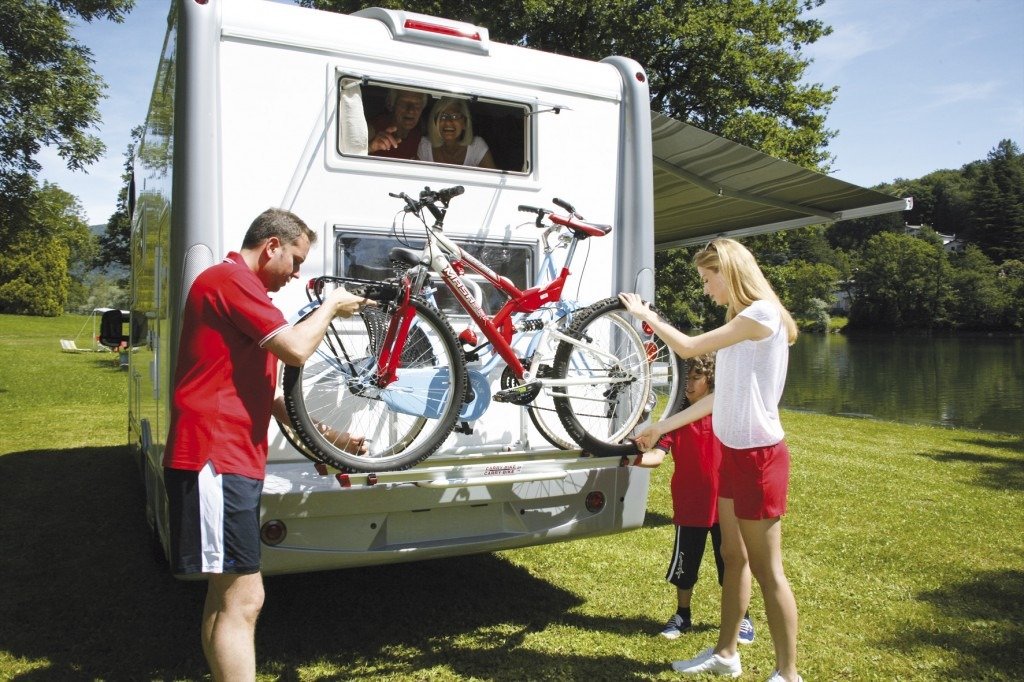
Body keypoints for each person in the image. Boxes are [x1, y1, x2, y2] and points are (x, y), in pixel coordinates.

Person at [163, 208, 372, 681]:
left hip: (228, 459)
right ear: (272, 245)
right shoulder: (230, 279)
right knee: (244, 596)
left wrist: (331, 438)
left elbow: (272, 397)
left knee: (227, 595)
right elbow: (297, 348)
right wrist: (331, 307)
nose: (298, 273)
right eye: (295, 260)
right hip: (213, 457)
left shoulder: (244, 291)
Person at [621, 237, 801, 682]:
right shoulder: (744, 320)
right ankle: (726, 655)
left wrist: (647, 316)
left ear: (730, 271)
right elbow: (722, 396)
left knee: (766, 569)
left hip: (759, 458)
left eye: (707, 278)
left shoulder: (760, 315)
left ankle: (788, 674)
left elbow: (685, 347)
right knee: (732, 555)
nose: (705, 289)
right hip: (733, 455)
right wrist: (662, 427)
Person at [633, 353, 755, 645]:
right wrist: (630, 460)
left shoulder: (727, 413)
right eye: (686, 378)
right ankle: (682, 615)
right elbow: (657, 457)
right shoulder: (676, 420)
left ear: (711, 381)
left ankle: (743, 618)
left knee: (732, 564)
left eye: (695, 378)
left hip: (727, 507)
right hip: (690, 507)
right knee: (685, 567)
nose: (688, 384)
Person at [417, 97, 496, 168]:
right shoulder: (425, 146)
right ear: (435, 122)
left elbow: (495, 182)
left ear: (465, 123)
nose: (448, 122)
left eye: (455, 116)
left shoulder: (477, 147)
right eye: (443, 116)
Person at [368, 89, 429, 159]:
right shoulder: (372, 130)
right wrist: (370, 147)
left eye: (417, 104)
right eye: (404, 103)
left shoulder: (421, 137)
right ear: (391, 104)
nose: (411, 110)